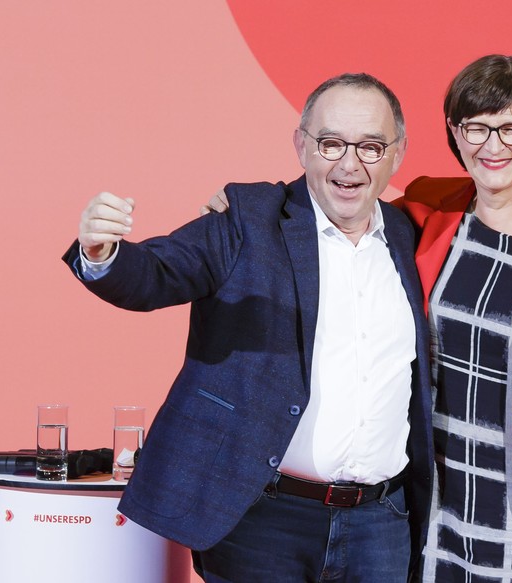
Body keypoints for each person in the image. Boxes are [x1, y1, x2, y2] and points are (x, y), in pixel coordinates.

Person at [206, 55, 512, 582]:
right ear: (455, 132)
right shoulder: (431, 207)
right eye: (477, 128)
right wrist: (252, 205)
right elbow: (338, 192)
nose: (494, 147)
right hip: (441, 502)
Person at [63, 73, 434, 582]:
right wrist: (103, 253)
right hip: (264, 522)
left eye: (371, 146)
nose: (350, 164)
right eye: (330, 143)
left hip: (381, 525)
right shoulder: (247, 219)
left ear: (398, 153)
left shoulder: (414, 236)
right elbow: (156, 274)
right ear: (301, 145)